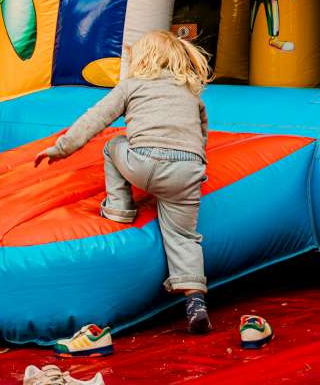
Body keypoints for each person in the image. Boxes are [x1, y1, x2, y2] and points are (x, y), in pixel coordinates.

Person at [35, 31, 213, 333]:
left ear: (143, 60)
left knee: (113, 144)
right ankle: (195, 300)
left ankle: (119, 207)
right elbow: (202, 135)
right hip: (186, 170)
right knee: (184, 237)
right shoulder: (189, 93)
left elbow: (95, 118)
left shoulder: (131, 85)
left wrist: (62, 148)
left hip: (141, 163)